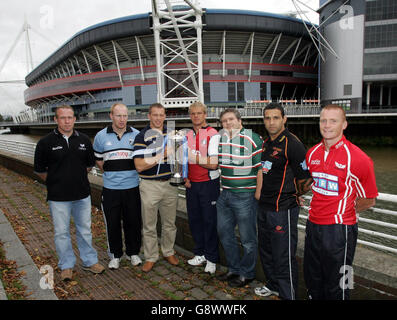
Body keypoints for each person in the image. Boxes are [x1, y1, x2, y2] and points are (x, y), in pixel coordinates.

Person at [304, 104, 378, 300]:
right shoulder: (311, 153)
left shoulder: (359, 158)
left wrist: (345, 212)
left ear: (344, 124)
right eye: (323, 120)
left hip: (339, 230)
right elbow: (311, 184)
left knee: (339, 285)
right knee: (313, 280)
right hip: (312, 225)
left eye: (333, 121)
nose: (327, 125)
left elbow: (369, 200)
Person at [33, 105, 105, 281]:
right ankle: (66, 265)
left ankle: (89, 261)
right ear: (56, 120)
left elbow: (89, 165)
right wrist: (56, 182)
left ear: (74, 119)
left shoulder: (84, 140)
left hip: (82, 195)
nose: (67, 121)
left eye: (70, 117)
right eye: (63, 118)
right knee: (61, 233)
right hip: (58, 198)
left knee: (85, 230)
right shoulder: (45, 142)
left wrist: (75, 178)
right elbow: (40, 170)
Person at [254, 103, 312, 300]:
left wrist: (295, 195)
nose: (271, 122)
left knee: (283, 256)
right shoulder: (266, 143)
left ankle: (288, 295)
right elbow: (264, 171)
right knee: (267, 251)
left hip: (283, 209)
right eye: (267, 118)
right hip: (264, 206)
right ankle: (273, 285)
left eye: (275, 117)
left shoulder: (293, 144)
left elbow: (306, 180)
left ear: (284, 119)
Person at [209, 108, 263, 287]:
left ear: (240, 121)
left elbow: (260, 168)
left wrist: (257, 193)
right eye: (224, 121)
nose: (228, 123)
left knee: (248, 239)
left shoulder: (252, 138)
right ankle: (234, 269)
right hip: (225, 194)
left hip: (245, 196)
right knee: (225, 233)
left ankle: (247, 273)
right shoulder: (222, 140)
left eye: (231, 119)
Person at [93, 103, 142, 270]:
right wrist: (111, 174)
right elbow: (99, 160)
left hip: (132, 187)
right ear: (111, 116)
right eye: (118, 115)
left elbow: (141, 159)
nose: (122, 119)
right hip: (111, 189)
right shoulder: (100, 136)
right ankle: (115, 255)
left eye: (125, 116)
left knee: (133, 222)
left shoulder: (136, 135)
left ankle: (133, 253)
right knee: (112, 223)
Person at [133, 103, 179, 272]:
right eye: (155, 115)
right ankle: (151, 256)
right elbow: (139, 165)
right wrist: (162, 154)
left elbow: (180, 158)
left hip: (169, 184)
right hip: (149, 186)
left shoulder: (172, 134)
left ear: (165, 116)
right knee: (149, 224)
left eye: (161, 115)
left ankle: (168, 251)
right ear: (149, 116)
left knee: (169, 223)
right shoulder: (142, 136)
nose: (158, 118)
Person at [184, 102, 220, 274]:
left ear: (205, 114)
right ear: (190, 115)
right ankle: (200, 253)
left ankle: (212, 258)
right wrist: (185, 177)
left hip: (208, 184)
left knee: (209, 221)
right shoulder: (188, 134)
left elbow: (213, 164)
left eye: (199, 113)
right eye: (193, 113)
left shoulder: (213, 134)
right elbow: (183, 160)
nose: (196, 116)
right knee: (195, 220)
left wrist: (192, 156)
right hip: (191, 184)